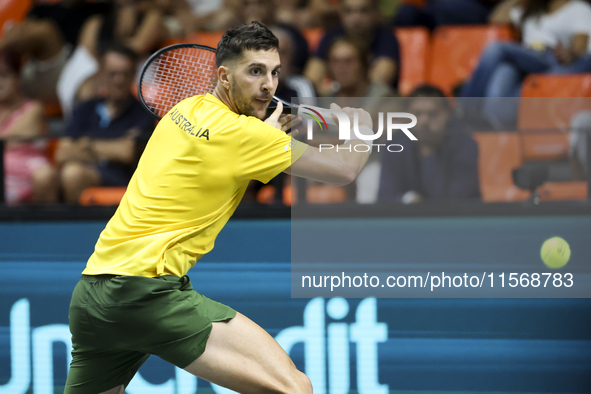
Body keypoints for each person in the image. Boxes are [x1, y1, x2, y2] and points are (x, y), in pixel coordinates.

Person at [64, 21, 372, 393]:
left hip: (94, 296)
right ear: (224, 75)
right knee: (294, 388)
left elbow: (223, 149)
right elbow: (343, 168)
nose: (268, 85)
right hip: (146, 293)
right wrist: (361, 129)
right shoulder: (245, 136)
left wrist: (265, 135)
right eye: (255, 71)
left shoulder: (187, 108)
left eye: (274, 72)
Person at [460, 0, 591, 129]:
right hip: (524, 57)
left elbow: (581, 49)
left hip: (550, 58)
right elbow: (495, 18)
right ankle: (494, 121)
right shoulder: (531, 10)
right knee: (504, 68)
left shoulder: (578, 8)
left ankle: (463, 108)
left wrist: (569, 53)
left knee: (496, 49)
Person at [54, 44, 154, 204]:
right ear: (101, 74)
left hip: (121, 179)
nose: (119, 80)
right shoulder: (85, 108)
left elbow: (126, 152)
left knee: (73, 173)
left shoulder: (143, 112)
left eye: (125, 74)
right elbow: (62, 152)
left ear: (134, 74)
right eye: (113, 74)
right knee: (44, 177)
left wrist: (86, 144)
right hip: (83, 169)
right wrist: (109, 148)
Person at [378, 85, 481, 203]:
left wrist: (428, 151)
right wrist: (408, 199)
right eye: (417, 114)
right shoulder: (395, 145)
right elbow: (384, 196)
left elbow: (455, 199)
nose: (424, 121)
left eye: (433, 114)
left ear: (447, 115)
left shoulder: (465, 145)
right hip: (407, 219)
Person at [304, 0, 400, 95]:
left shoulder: (386, 37)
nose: (356, 18)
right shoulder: (332, 35)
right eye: (349, 11)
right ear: (340, 13)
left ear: (375, 12)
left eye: (363, 11)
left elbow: (380, 79)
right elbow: (311, 78)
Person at [0, 49, 57, 205]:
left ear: (18, 78)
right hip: (3, 179)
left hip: (27, 178)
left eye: (4, 75)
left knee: (46, 176)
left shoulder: (34, 109)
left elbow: (7, 140)